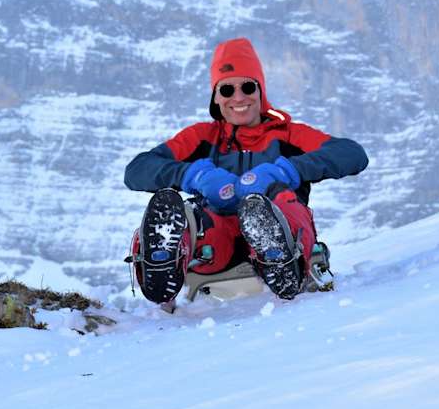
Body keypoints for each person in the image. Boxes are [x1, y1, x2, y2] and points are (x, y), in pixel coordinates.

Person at [124, 37, 368, 303]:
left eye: (247, 86)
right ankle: (162, 264)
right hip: (219, 238)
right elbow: (137, 170)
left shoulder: (287, 135)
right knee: (193, 216)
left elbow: (351, 154)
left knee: (281, 201)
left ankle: (282, 259)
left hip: (282, 226)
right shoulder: (202, 137)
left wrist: (284, 172)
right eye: (227, 90)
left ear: (260, 91)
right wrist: (193, 175)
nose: (238, 97)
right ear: (215, 97)